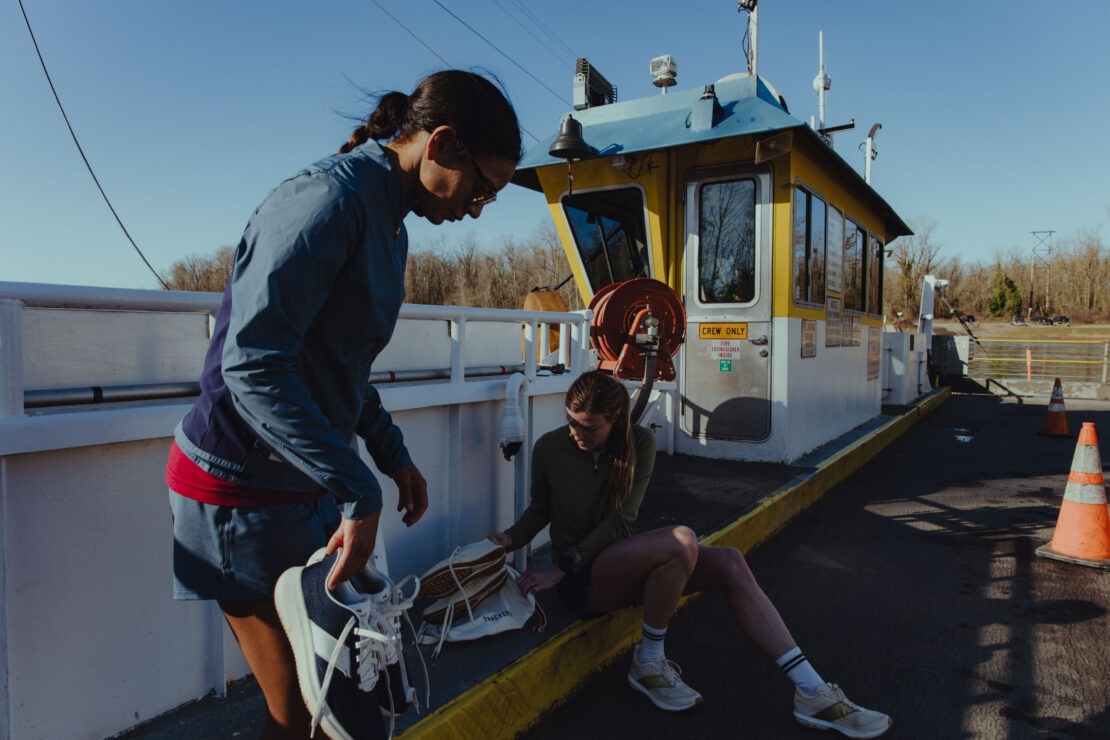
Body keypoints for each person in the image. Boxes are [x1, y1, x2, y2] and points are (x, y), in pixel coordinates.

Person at [167, 70, 521, 739]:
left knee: (334, 706)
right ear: (442, 143)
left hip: (300, 484)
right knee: (304, 711)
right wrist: (359, 489)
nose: (478, 208)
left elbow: (340, 364)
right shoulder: (328, 201)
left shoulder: (391, 225)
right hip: (236, 485)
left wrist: (390, 453)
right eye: (483, 188)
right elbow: (253, 365)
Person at [488, 371, 891, 739]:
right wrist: (511, 539)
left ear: (615, 418)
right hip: (584, 582)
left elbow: (622, 519)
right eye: (571, 422)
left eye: (588, 427)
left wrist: (562, 565)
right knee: (682, 540)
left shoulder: (639, 443)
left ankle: (813, 691)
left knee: (731, 561)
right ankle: (650, 662)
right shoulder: (550, 447)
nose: (577, 433)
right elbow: (540, 508)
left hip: (619, 567)